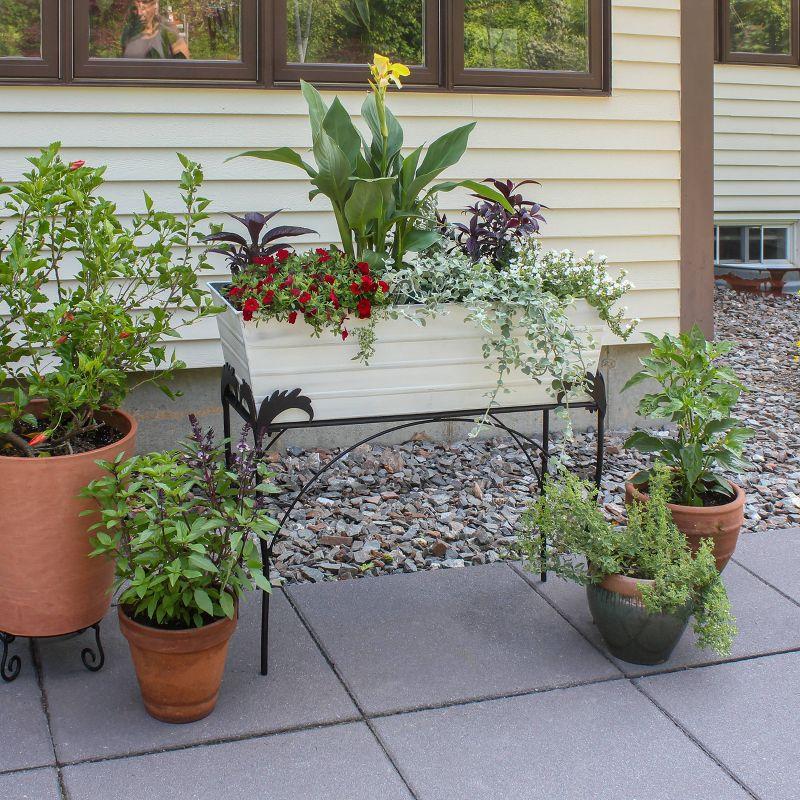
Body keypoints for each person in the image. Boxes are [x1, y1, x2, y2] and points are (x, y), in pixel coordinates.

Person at [122, 0, 190, 59]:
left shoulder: (168, 32)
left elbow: (184, 67)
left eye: (144, 7)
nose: (140, 13)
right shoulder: (128, 31)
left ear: (155, 5)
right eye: (135, 8)